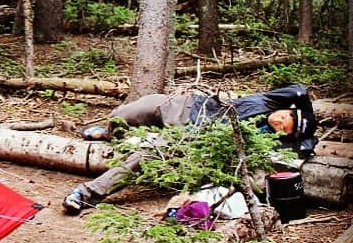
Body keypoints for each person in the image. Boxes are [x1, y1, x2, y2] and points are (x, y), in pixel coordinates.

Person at [62, 83, 318, 215]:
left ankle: (86, 194)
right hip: (186, 106)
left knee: (145, 155)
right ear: (286, 108)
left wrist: (305, 139)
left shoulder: (261, 140)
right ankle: (107, 134)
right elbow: (299, 89)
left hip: (189, 138)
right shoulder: (269, 100)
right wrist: (305, 108)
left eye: (284, 128)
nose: (279, 122)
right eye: (285, 117)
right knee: (129, 112)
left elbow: (302, 150)